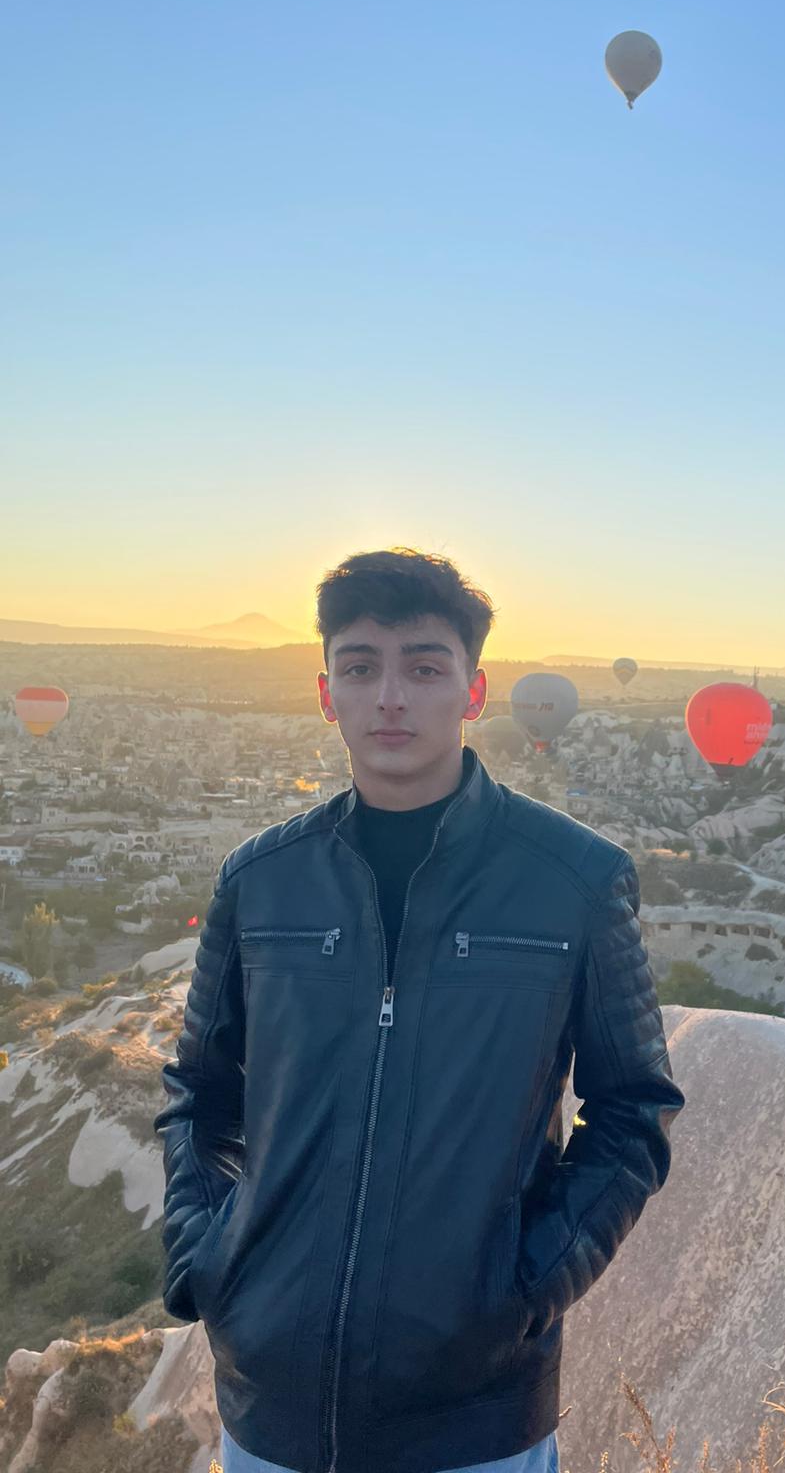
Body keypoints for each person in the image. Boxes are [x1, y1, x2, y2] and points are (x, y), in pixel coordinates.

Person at [155, 548, 685, 1473]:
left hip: (476, 1420)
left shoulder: (576, 881)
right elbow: (200, 1093)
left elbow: (634, 1110)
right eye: (361, 667)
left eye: (424, 668)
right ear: (327, 694)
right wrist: (210, 1260)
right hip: (269, 1405)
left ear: (473, 692)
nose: (391, 698)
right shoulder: (260, 881)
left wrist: (522, 1291)